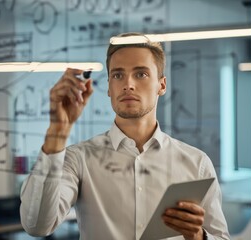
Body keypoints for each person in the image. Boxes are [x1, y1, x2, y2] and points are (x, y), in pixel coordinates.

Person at [20, 32, 230, 240]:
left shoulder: (197, 163)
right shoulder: (78, 159)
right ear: (110, 87)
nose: (128, 84)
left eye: (141, 74)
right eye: (118, 75)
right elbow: (37, 226)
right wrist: (57, 133)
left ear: (162, 85)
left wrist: (199, 236)